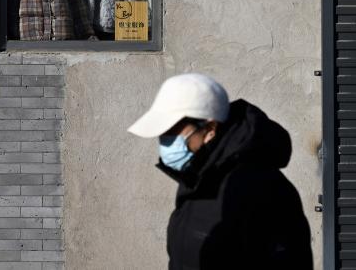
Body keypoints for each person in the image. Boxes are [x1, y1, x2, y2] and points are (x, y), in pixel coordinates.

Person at [128, 73, 312, 270]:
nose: (165, 140)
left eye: (173, 131)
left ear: (210, 129)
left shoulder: (262, 189)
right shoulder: (197, 180)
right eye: (162, 133)